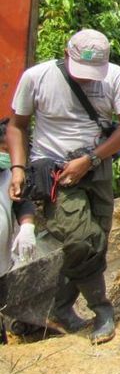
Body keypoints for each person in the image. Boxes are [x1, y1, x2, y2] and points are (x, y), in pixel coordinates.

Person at [6, 29, 120, 344]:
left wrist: (91, 160)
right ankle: (102, 309)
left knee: (97, 238)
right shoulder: (36, 78)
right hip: (56, 173)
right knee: (82, 239)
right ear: (67, 54)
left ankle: (59, 308)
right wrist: (17, 169)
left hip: (96, 167)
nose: (86, 79)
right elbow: (17, 127)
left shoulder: (115, 77)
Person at [0, 118, 36, 275]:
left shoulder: (11, 176)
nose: (9, 158)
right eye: (5, 151)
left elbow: (23, 202)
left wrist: (27, 227)